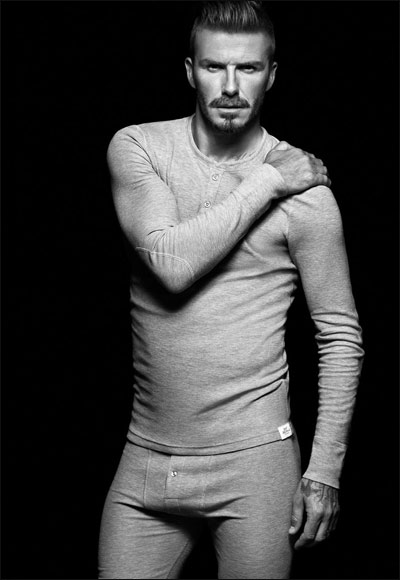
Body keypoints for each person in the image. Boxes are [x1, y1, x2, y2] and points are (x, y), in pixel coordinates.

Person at [98, 1, 364, 578]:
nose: (230, 87)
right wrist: (268, 180)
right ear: (189, 70)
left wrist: (325, 471)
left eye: (248, 68)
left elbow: (340, 336)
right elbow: (170, 264)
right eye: (214, 66)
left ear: (272, 75)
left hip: (255, 466)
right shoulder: (140, 147)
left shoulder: (308, 194)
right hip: (147, 456)